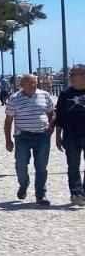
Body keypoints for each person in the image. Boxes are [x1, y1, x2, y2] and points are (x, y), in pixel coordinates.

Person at [4, 73, 56, 205]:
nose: (34, 86)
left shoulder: (44, 95)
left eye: (35, 83)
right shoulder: (14, 99)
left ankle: (41, 194)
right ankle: (24, 183)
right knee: (20, 164)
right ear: (22, 85)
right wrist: (8, 140)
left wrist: (51, 128)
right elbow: (8, 121)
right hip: (23, 137)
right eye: (30, 83)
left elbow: (51, 114)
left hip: (42, 136)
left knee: (41, 166)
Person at [55, 64, 85, 206]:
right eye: (70, 74)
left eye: (74, 74)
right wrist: (57, 136)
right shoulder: (65, 94)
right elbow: (59, 117)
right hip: (70, 135)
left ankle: (83, 193)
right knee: (73, 165)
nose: (71, 77)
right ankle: (76, 192)